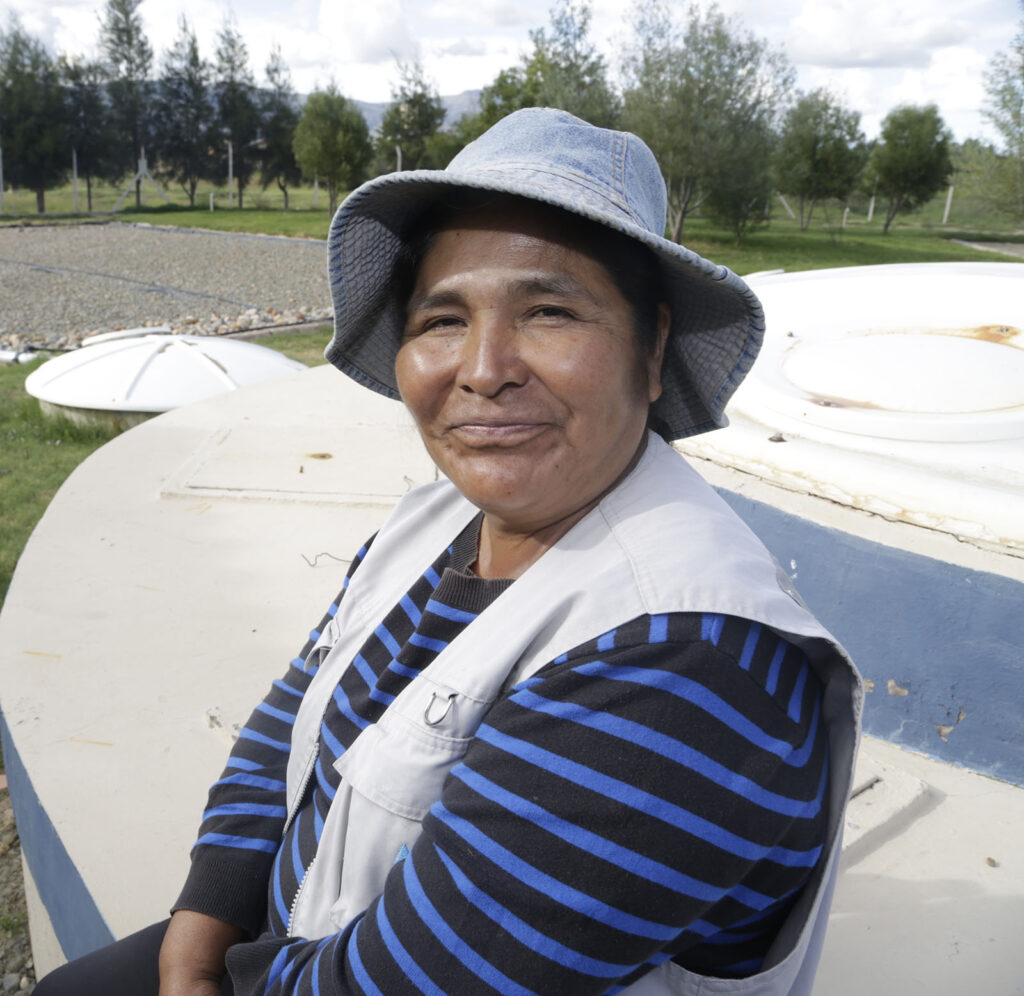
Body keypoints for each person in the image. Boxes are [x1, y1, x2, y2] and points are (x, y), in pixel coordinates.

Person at [37, 108, 861, 996]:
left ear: (652, 348)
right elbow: (292, 717)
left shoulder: (683, 666)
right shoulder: (434, 521)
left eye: (548, 311)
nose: (483, 367)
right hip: (289, 941)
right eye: (441, 319)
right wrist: (196, 941)